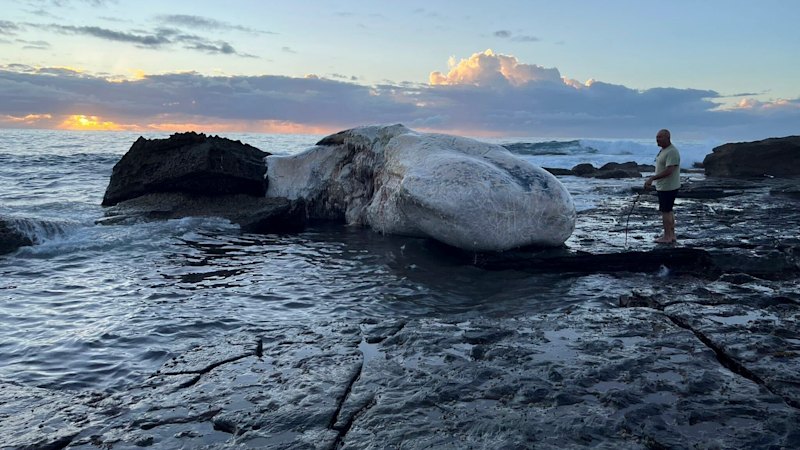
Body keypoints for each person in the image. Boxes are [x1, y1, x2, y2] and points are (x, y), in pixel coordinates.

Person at [644, 129, 680, 244]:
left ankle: (667, 236)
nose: (657, 140)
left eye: (660, 137)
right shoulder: (664, 150)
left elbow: (669, 170)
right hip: (664, 186)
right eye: (657, 137)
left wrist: (652, 178)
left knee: (666, 211)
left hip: (668, 186)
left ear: (667, 138)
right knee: (668, 211)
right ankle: (672, 235)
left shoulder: (672, 151)